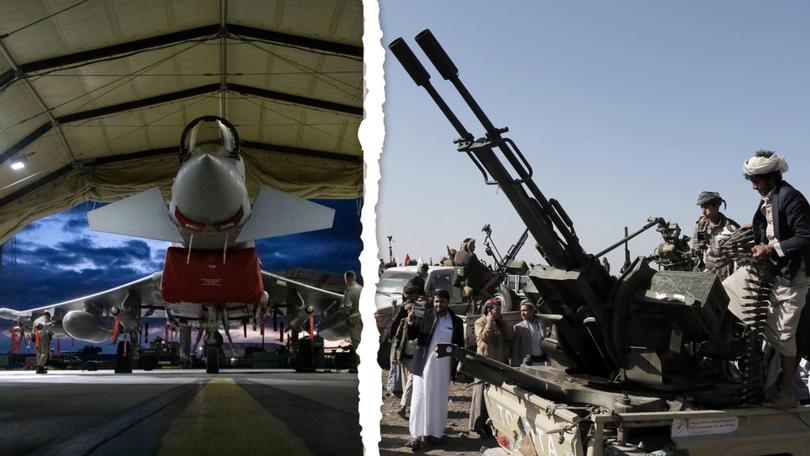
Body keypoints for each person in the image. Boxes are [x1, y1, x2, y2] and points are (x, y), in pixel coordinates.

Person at [723, 150, 810, 408]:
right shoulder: (769, 200)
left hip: (793, 278)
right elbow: (774, 229)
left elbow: (805, 237)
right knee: (726, 291)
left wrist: (770, 248)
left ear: (773, 176)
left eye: (758, 179)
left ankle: (786, 394)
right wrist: (755, 231)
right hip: (773, 272)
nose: (753, 185)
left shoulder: (791, 197)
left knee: (784, 338)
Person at [405, 289, 464, 450]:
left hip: (442, 369)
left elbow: (460, 347)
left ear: (447, 302)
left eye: (442, 301)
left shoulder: (456, 322)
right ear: (433, 301)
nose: (438, 304)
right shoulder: (425, 315)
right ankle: (416, 435)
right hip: (423, 366)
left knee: (438, 401)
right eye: (436, 301)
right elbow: (412, 335)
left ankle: (435, 434)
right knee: (419, 399)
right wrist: (410, 322)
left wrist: (459, 369)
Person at [468, 297, 513, 437]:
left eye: (500, 310)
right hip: (484, 364)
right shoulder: (479, 322)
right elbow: (484, 337)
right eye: (496, 310)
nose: (499, 312)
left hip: (499, 363)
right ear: (489, 310)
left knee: (496, 395)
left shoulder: (500, 323)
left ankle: (493, 425)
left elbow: (510, 336)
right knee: (480, 395)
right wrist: (489, 321)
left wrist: (502, 321)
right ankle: (478, 425)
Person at [692, 191, 740, 279]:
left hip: (725, 275)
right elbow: (696, 247)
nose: (703, 211)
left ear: (717, 206)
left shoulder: (730, 227)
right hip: (705, 273)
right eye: (701, 207)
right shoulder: (701, 226)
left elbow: (738, 255)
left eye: (706, 207)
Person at [390, 284, 422, 417]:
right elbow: (396, 335)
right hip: (404, 353)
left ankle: (404, 406)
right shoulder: (404, 317)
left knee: (412, 379)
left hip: (416, 354)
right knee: (407, 381)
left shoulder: (421, 311)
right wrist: (395, 354)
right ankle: (409, 406)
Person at [511, 300, 547, 367]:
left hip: (542, 363)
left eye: (525, 310)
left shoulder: (542, 324)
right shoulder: (518, 328)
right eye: (521, 311)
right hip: (527, 364)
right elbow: (515, 350)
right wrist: (515, 367)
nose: (522, 313)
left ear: (532, 310)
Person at [342, 271, 362, 371]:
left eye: (345, 279)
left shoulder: (349, 290)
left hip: (355, 320)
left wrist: (342, 311)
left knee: (357, 343)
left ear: (348, 279)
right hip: (365, 318)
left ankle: (360, 365)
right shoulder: (362, 289)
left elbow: (347, 307)